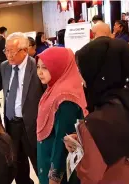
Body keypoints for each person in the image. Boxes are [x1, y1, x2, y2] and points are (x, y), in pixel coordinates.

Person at [66, 24, 129, 184]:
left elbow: (90, 175)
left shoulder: (96, 123)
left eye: (83, 71)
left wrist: (81, 147)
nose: (81, 77)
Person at [37, 47, 87, 184]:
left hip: (61, 169)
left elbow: (63, 140)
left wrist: (54, 178)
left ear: (59, 67)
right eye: (38, 67)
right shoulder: (53, 90)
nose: (40, 72)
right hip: (47, 157)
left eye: (45, 68)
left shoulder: (65, 98)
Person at [0, 32, 44, 184]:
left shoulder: (37, 66)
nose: (8, 55)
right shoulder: (4, 67)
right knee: (18, 165)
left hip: (33, 124)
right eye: (6, 50)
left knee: (39, 163)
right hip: (12, 123)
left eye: (12, 51)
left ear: (25, 51)